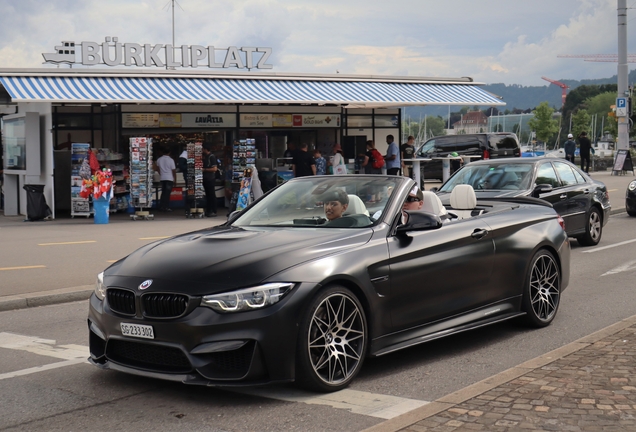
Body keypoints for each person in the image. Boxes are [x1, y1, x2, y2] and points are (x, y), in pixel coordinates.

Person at [155, 146, 176, 212]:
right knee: (167, 194)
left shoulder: (159, 159)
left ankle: (161, 206)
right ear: (169, 152)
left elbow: (157, 169)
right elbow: (173, 170)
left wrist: (161, 174)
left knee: (163, 193)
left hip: (163, 178)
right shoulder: (171, 160)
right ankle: (166, 207)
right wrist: (175, 179)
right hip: (169, 178)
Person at [202, 144, 218, 217]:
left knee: (211, 195)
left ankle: (213, 210)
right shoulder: (205, 157)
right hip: (205, 178)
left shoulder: (212, 157)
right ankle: (208, 210)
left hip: (210, 178)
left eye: (203, 149)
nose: (202, 150)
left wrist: (204, 169)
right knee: (208, 195)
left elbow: (215, 169)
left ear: (206, 149)